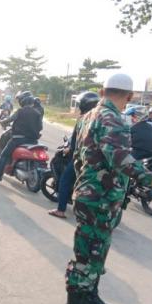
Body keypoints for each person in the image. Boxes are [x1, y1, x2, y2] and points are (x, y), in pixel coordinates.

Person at [63, 73, 152, 304]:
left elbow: (77, 157)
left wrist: (86, 184)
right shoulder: (111, 118)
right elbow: (120, 159)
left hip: (94, 196)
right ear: (130, 96)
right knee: (88, 255)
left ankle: (89, 298)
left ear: (103, 91)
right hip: (100, 200)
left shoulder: (88, 116)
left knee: (94, 253)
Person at [48, 91, 99, 219]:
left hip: (82, 158)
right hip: (98, 160)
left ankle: (60, 210)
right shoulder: (99, 119)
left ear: (83, 105)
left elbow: (77, 141)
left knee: (65, 180)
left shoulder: (83, 120)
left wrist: (68, 151)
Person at [0, 92, 42, 183]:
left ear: (23, 102)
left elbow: (10, 119)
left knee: (3, 155)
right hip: (33, 140)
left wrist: (2, 122)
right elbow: (40, 127)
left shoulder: (20, 111)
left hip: (18, 139)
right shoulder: (37, 113)